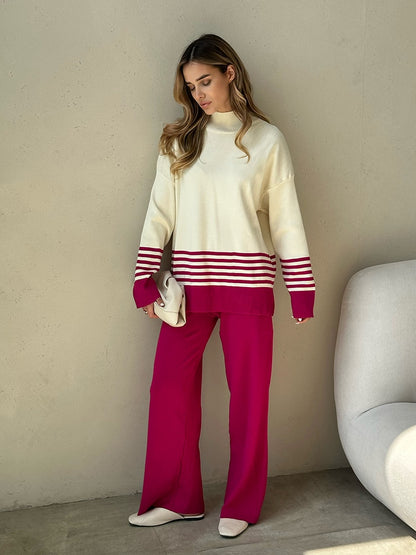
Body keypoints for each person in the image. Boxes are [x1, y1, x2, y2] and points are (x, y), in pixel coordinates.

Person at [128, 33, 315, 539]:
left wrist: (300, 287)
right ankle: (178, 499)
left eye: (205, 81)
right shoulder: (179, 142)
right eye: (191, 87)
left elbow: (286, 219)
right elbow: (159, 213)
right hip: (187, 290)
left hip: (248, 287)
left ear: (230, 73)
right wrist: (144, 278)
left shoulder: (268, 140)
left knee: (249, 401)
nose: (199, 94)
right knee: (169, 391)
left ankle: (242, 504)